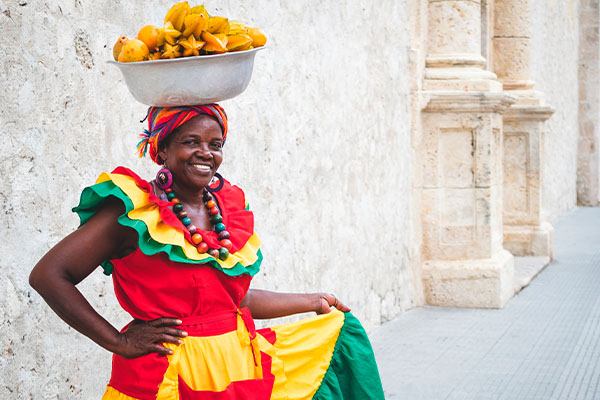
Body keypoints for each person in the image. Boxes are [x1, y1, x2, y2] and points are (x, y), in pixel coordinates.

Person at [30, 104, 385, 399]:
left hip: (235, 369)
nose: (206, 152)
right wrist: (118, 341)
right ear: (162, 149)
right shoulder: (133, 213)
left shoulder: (227, 213)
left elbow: (232, 302)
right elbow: (49, 276)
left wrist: (312, 300)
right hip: (166, 375)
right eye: (191, 141)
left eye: (215, 144)